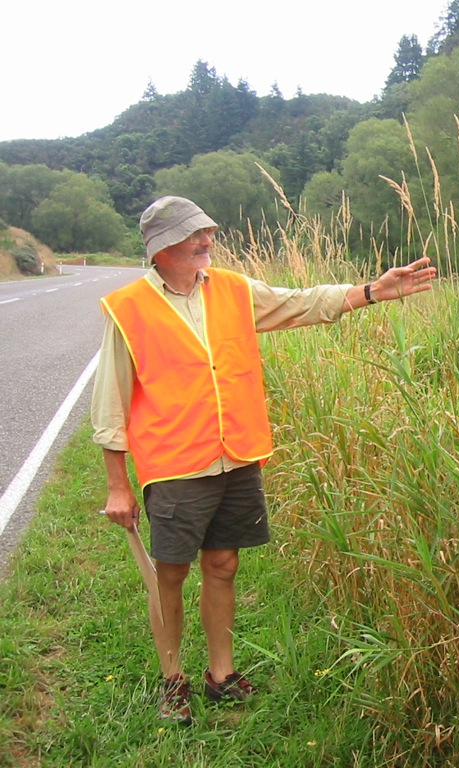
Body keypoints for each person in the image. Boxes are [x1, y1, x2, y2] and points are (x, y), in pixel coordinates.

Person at [91, 195, 436, 724]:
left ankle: (220, 676)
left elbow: (298, 302)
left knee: (224, 565)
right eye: (194, 234)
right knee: (171, 573)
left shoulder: (232, 288)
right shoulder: (128, 307)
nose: (207, 240)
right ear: (162, 247)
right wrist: (118, 485)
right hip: (176, 463)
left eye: (208, 230)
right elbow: (110, 402)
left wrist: (371, 292)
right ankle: (172, 680)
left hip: (237, 454)